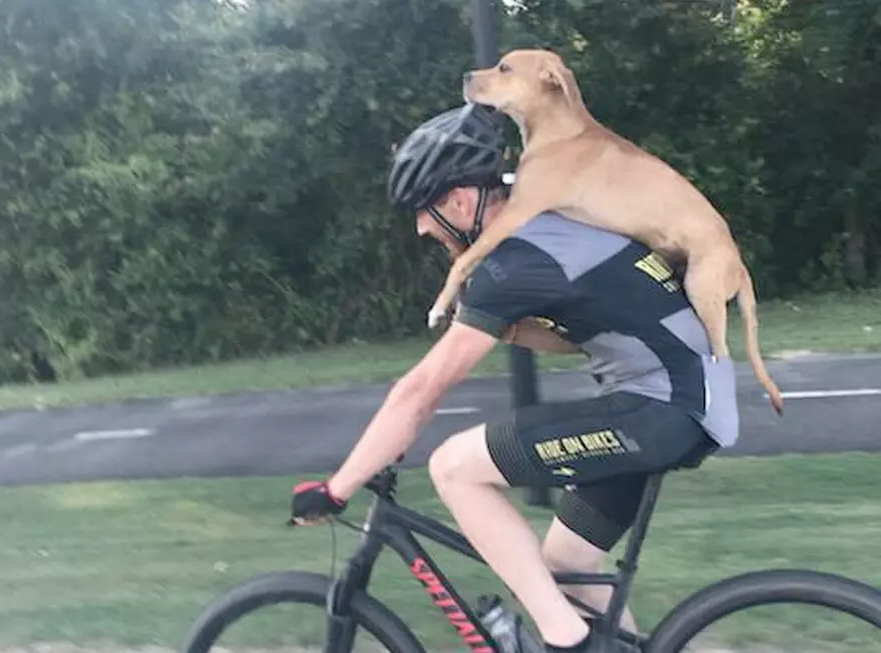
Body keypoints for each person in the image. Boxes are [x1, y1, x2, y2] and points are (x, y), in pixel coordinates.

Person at [288, 103, 738, 653]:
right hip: (684, 400)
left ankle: (561, 643)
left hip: (661, 409)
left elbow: (419, 393)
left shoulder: (513, 263)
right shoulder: (550, 227)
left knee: (454, 468)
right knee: (565, 573)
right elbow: (600, 324)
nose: (422, 226)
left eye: (424, 209)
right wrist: (512, 331)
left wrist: (336, 490)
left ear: (458, 199)